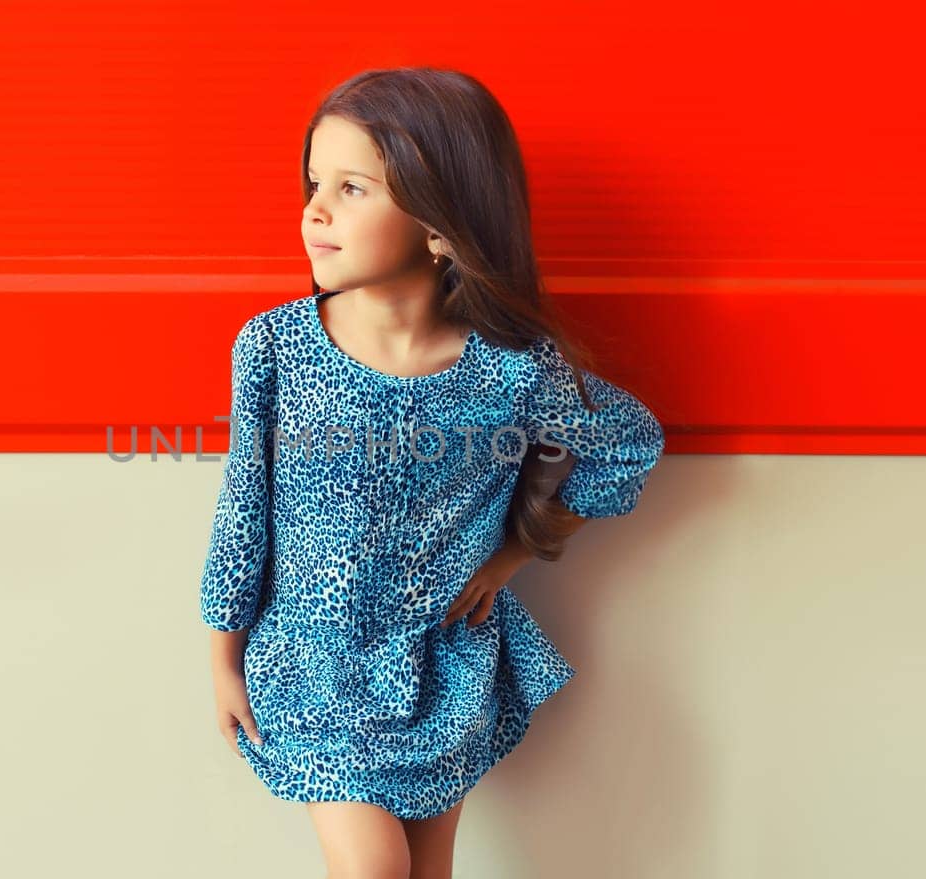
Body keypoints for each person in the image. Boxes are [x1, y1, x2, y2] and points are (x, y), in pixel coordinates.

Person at [200, 67, 666, 879]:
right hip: (315, 667)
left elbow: (622, 441)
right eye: (314, 183)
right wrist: (222, 653)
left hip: (440, 665)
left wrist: (511, 556)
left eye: (352, 189)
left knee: (427, 869)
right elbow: (244, 511)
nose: (314, 211)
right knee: (374, 865)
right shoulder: (274, 349)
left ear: (440, 226)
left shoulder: (512, 370)